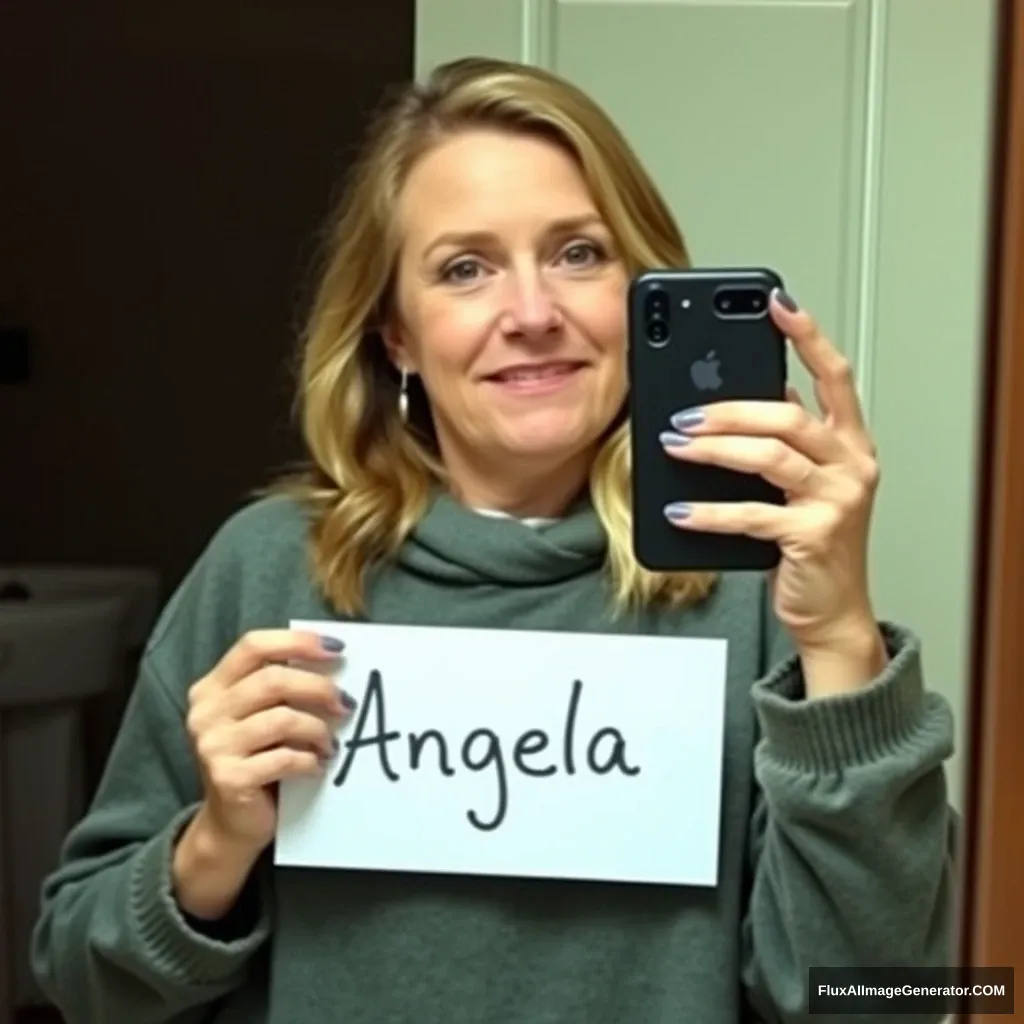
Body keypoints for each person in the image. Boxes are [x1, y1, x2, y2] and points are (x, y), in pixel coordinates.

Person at [31, 56, 958, 1024]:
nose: (530, 314)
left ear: (641, 296)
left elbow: (887, 1001)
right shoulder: (268, 570)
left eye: (577, 254)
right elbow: (77, 976)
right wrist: (215, 844)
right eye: (464, 268)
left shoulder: (751, 582)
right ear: (395, 332)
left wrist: (843, 640)